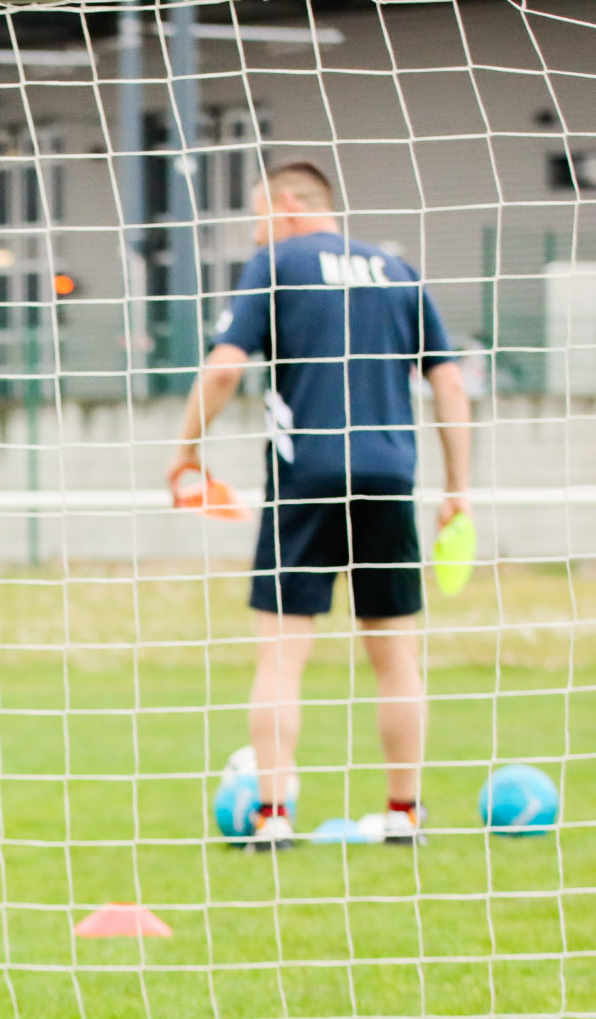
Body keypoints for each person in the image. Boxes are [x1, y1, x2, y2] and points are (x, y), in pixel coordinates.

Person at [168, 159, 471, 850]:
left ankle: (273, 817)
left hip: (305, 478)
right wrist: (458, 489)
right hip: (389, 478)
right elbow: (450, 384)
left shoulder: (277, 265)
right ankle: (404, 815)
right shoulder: (398, 271)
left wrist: (183, 452)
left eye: (257, 220)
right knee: (396, 655)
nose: (254, 237)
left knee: (281, 657)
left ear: (287, 204)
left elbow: (223, 368)